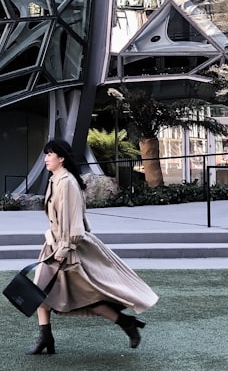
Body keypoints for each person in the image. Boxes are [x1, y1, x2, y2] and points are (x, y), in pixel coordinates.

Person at [26, 139, 159, 355]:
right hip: (55, 246)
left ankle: (126, 323)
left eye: (50, 154)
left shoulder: (67, 182)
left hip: (68, 250)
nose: (46, 158)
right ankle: (46, 337)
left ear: (62, 158)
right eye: (46, 154)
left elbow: (75, 225)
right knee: (40, 291)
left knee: (88, 297)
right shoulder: (55, 180)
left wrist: (63, 251)